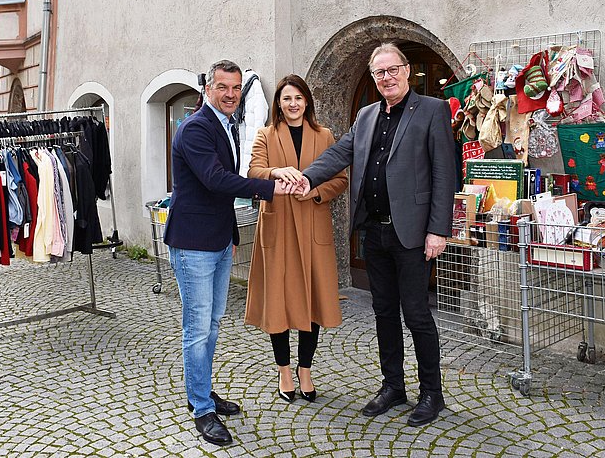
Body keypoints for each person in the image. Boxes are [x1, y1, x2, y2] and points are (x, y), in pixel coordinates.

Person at [299, 43, 455, 427]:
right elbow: (340, 154)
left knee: (417, 314)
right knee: (383, 312)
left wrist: (438, 229)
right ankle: (393, 387)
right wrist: (305, 177)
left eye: (392, 70)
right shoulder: (366, 114)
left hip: (414, 234)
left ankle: (432, 394)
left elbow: (444, 174)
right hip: (374, 230)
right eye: (379, 73)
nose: (386, 78)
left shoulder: (432, 110)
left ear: (406, 71)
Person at [163, 59, 293, 447]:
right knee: (197, 328)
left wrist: (231, 232)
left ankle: (201, 392)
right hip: (193, 244)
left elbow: (216, 193)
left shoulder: (226, 125)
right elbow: (216, 180)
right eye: (223, 87)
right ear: (208, 88)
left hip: (217, 239)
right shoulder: (195, 128)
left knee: (213, 324)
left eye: (236, 88)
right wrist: (271, 188)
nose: (231, 94)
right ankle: (201, 409)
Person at [244, 74, 347, 404]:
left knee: (312, 300)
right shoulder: (266, 135)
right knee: (278, 300)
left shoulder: (324, 135)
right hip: (278, 227)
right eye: (286, 98)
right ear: (279, 103)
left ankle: (305, 368)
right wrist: (277, 172)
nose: (292, 104)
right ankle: (284, 369)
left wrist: (315, 191)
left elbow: (340, 179)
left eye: (298, 98)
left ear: (307, 102)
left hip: (312, 222)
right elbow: (254, 172)